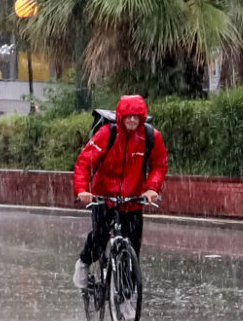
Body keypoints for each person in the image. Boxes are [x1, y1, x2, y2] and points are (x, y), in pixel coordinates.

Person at [71, 94, 169, 289]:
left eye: (137, 116)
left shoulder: (150, 137)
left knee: (133, 250)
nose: (132, 120)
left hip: (132, 200)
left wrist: (152, 188)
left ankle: (126, 296)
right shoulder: (107, 134)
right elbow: (84, 162)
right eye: (128, 116)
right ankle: (83, 264)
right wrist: (82, 190)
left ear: (142, 117)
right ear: (121, 116)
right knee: (99, 237)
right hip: (104, 197)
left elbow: (159, 164)